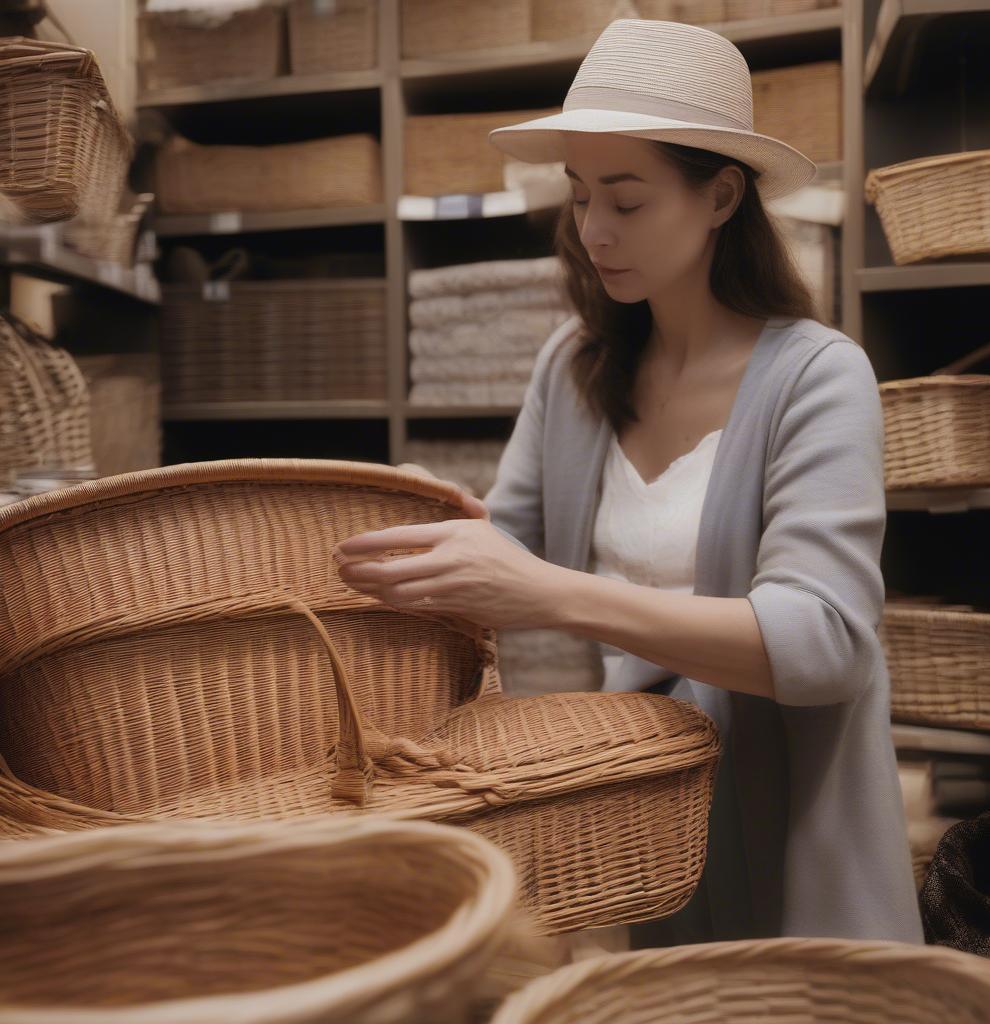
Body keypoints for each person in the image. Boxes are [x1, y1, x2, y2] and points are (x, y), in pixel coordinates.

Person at [335, 18, 924, 945]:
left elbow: (825, 642)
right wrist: (436, 517)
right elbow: (513, 542)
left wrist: (557, 595)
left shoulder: (819, 375)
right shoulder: (576, 365)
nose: (595, 229)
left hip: (784, 819)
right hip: (633, 815)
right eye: (578, 196)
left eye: (628, 199)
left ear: (721, 195)